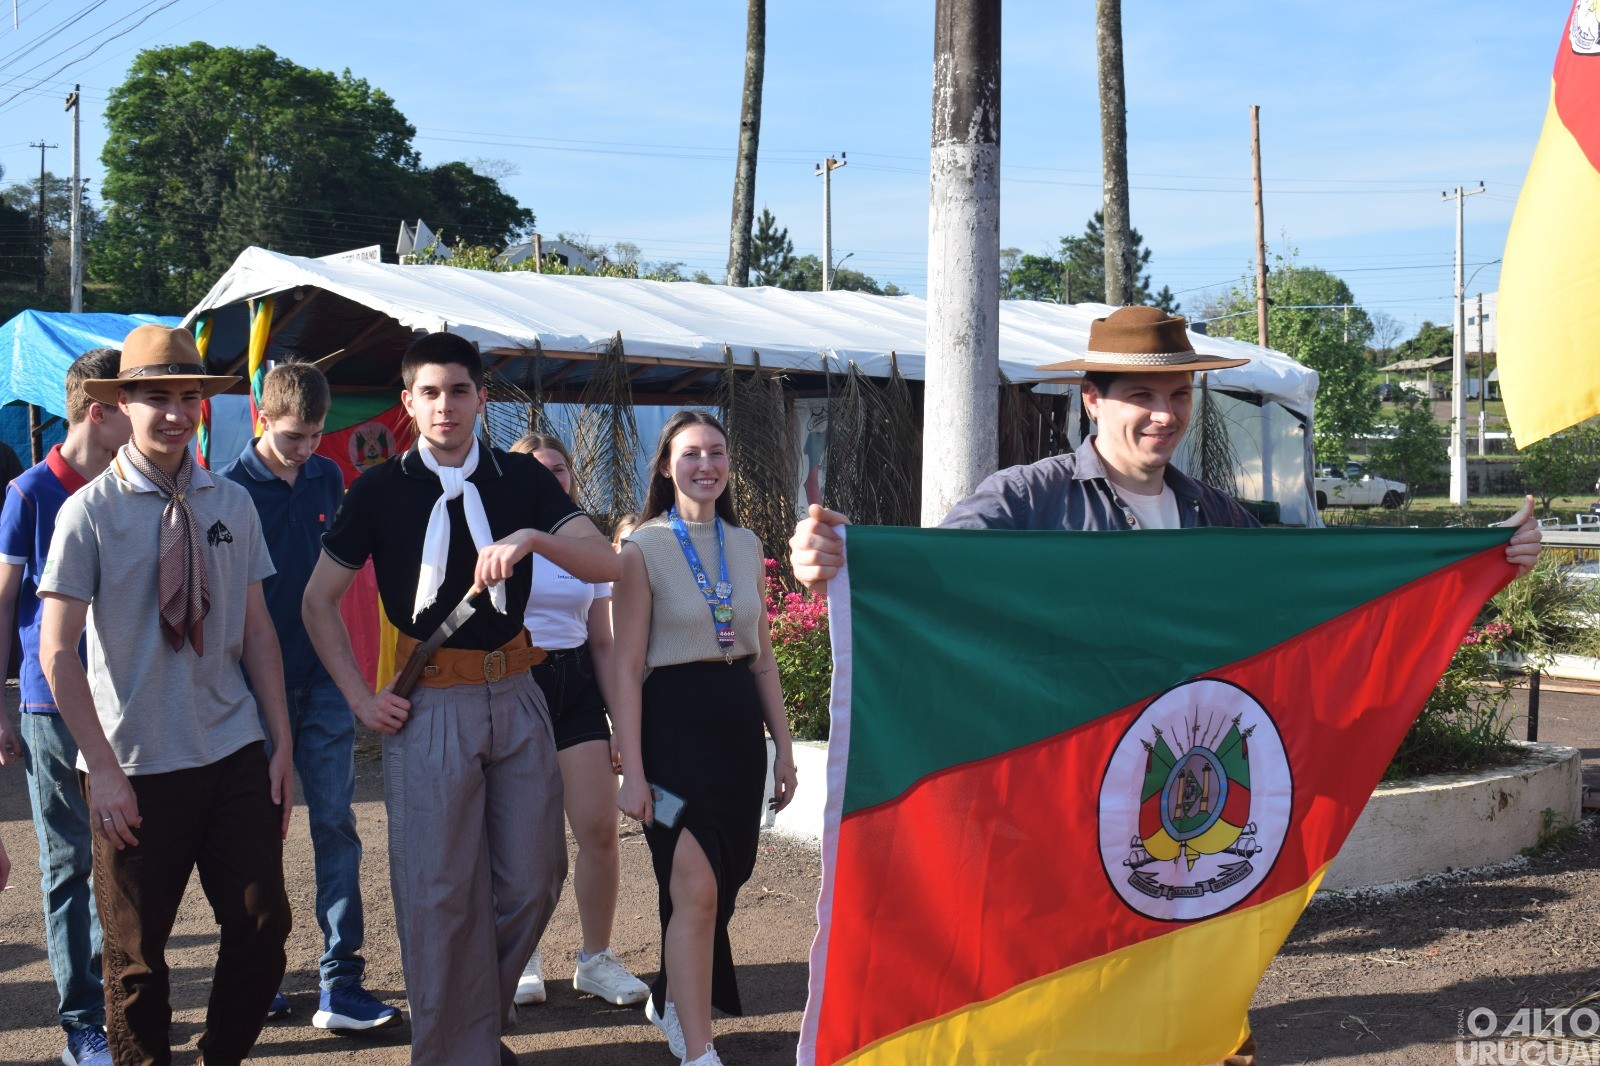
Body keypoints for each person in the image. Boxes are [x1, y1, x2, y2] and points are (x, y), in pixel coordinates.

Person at [789, 305, 1544, 1066]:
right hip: (1064, 809)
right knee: (1069, 990)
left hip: (1187, 806)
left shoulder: (1213, 515)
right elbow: (936, 586)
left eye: (1179, 396)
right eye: (1142, 397)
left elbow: (1302, 609)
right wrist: (844, 563)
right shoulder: (1026, 500)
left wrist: (1477, 563)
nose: (1165, 415)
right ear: (1092, 399)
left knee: (1188, 996)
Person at [300, 332, 621, 1066]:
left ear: (482, 398)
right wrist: (358, 697)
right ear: (409, 403)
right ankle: (456, 1052)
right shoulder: (377, 490)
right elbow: (319, 603)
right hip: (429, 704)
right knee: (437, 893)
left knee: (536, 877)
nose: (446, 405)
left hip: (518, 692)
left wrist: (534, 538)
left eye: (460, 390)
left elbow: (610, 563)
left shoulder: (521, 479)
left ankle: (467, 1027)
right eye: (431, 392)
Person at [37, 324, 295, 1066]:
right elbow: (57, 654)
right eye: (157, 397)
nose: (176, 412)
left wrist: (279, 745)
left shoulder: (232, 503)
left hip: (233, 750)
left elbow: (259, 636)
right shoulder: (87, 512)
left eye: (189, 396)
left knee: (262, 926)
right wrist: (103, 771)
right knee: (138, 962)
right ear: (123, 402)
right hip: (136, 767)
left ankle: (219, 1058)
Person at [612, 410, 798, 1066]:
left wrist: (785, 746)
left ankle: (670, 992)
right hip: (668, 736)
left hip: (737, 735)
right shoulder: (643, 549)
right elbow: (626, 667)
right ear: (666, 466)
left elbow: (763, 657)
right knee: (692, 884)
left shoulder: (745, 544)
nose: (706, 464)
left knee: (729, 876)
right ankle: (698, 1048)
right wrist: (630, 770)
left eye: (716, 452)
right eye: (691, 453)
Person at [219, 362, 400, 1032]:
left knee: (336, 824)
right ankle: (257, 969)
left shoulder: (328, 474)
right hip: (247, 686)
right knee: (254, 833)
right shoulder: (227, 489)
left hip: (325, 678)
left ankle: (340, 980)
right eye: (295, 436)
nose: (306, 449)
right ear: (263, 417)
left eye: (316, 436)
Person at [0, 347, 129, 1066]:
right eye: (130, 401)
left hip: (127, 701)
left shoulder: (131, 485)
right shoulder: (29, 493)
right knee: (67, 863)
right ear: (98, 410)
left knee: (131, 857)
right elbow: (2, 604)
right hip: (49, 705)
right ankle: (83, 1018)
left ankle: (124, 998)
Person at [506, 433, 649, 1009]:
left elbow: (603, 640)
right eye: (537, 469)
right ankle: (522, 956)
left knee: (598, 831)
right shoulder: (494, 537)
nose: (551, 478)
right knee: (523, 840)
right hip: (516, 683)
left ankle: (595, 959)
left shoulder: (582, 539)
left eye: (560, 469)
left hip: (577, 690)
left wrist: (621, 725)